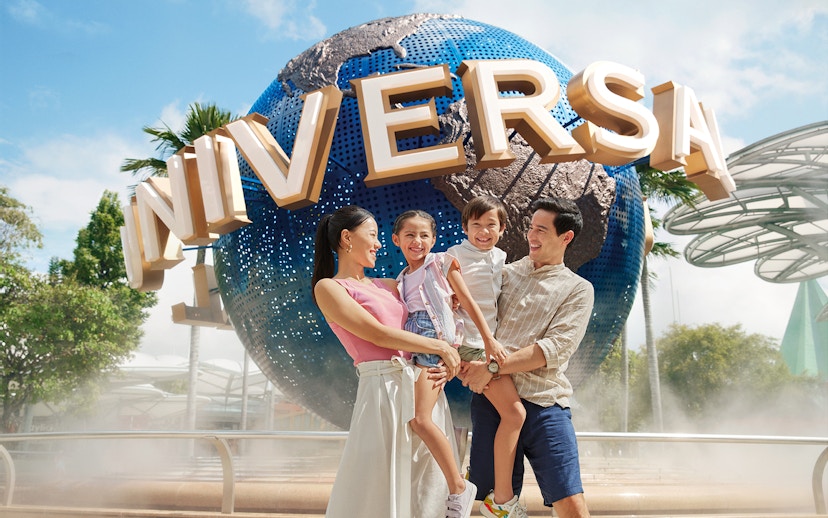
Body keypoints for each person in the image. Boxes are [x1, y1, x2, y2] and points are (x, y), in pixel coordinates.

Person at [311, 205, 463, 518]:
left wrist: (447, 351)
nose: (379, 244)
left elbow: (430, 316)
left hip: (419, 382)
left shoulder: (392, 285)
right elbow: (377, 334)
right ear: (346, 238)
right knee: (377, 482)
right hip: (381, 391)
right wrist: (439, 347)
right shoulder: (329, 288)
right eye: (372, 235)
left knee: (426, 484)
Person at [461, 197, 595, 518]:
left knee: (572, 504)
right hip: (493, 400)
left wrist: (491, 367)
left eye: (542, 230)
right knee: (490, 502)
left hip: (545, 403)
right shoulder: (503, 274)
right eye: (531, 228)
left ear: (566, 237)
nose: (531, 236)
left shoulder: (577, 289)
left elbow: (555, 348)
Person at [391, 209, 496, 518]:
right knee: (417, 420)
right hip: (415, 347)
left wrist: (488, 340)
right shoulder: (401, 279)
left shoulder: (440, 263)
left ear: (434, 239)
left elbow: (467, 302)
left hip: (434, 345)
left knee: (420, 419)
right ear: (396, 239)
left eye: (424, 235)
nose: (417, 241)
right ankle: (442, 489)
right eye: (410, 235)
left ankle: (459, 487)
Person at [446, 196, 527, 517]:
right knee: (515, 415)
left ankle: (488, 491)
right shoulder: (454, 255)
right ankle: (500, 501)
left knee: (508, 416)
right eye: (476, 225)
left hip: (490, 344)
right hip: (471, 346)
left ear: (502, 228)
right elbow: (461, 300)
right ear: (465, 227)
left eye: (491, 225)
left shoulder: (500, 257)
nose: (483, 231)